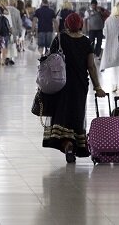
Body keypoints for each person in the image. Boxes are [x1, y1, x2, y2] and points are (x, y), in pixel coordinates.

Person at [42, 12, 106, 163]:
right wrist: (97, 87)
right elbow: (91, 66)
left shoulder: (60, 39)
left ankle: (67, 144)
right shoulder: (86, 41)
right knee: (77, 115)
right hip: (80, 85)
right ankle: (72, 144)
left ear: (66, 24)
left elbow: (49, 61)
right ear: (81, 25)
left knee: (62, 115)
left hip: (60, 84)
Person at [100, 2, 119, 91]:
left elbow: (104, 32)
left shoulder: (108, 20)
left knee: (114, 67)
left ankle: (114, 86)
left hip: (111, 47)